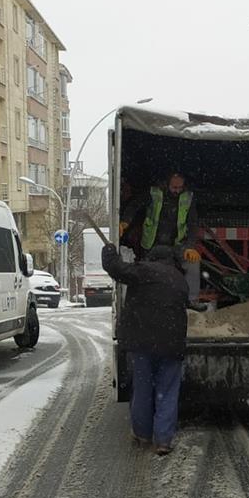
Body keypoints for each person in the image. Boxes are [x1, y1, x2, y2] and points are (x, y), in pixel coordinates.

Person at [101, 242, 190, 455]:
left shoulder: (143, 271)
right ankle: (163, 440)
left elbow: (117, 270)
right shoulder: (179, 279)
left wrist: (109, 254)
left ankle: (142, 434)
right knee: (167, 392)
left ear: (152, 257)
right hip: (172, 345)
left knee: (142, 389)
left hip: (143, 344)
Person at [131, 172, 200, 302]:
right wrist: (125, 221)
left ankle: (191, 300)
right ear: (167, 184)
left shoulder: (188, 198)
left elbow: (193, 224)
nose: (177, 191)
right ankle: (146, 300)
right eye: (174, 188)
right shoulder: (153, 194)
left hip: (177, 245)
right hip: (152, 244)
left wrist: (190, 247)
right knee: (147, 271)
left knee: (193, 264)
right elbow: (134, 206)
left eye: (180, 188)